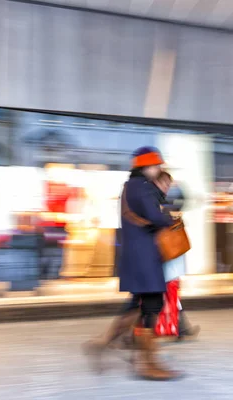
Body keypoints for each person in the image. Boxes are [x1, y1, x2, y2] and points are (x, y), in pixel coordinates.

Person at [83, 146, 180, 381]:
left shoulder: (129, 186)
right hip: (144, 254)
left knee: (138, 302)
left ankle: (103, 344)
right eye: (157, 165)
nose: (159, 169)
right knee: (152, 304)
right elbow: (155, 217)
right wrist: (170, 217)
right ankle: (146, 363)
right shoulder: (142, 187)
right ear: (147, 166)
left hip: (135, 253)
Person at [153, 171, 200, 340]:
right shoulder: (154, 200)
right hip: (163, 254)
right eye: (164, 182)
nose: (167, 186)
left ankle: (181, 328)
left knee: (170, 293)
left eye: (168, 183)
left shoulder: (166, 200)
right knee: (161, 294)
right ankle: (179, 328)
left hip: (168, 254)